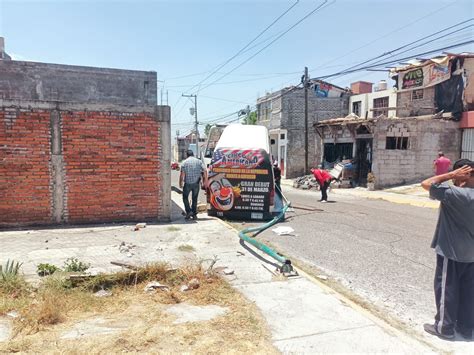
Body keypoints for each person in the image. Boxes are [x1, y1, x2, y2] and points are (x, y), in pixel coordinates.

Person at [421, 159, 474, 340]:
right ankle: (467, 329)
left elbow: (427, 184)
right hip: (471, 254)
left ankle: (445, 328)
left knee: (447, 289)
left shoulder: (455, 194)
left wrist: (451, 175)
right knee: (468, 293)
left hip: (451, 252)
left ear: (463, 175)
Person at [179, 149, 208, 220]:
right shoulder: (199, 161)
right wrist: (205, 181)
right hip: (196, 183)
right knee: (194, 199)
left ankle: (188, 211)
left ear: (187, 155)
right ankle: (194, 214)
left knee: (185, 197)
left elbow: (182, 174)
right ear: (193, 154)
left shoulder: (184, 162)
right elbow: (205, 170)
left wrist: (180, 183)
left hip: (187, 183)